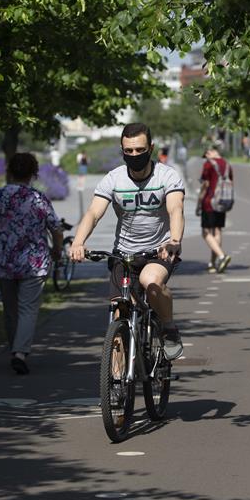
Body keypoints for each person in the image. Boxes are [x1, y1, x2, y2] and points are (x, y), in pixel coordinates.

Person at [70, 122, 186, 360]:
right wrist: (78, 242)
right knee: (119, 315)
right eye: (129, 151)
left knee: (150, 281)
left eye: (140, 150)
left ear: (151, 148)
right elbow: (93, 213)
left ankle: (168, 329)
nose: (134, 155)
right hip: (123, 254)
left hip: (159, 251)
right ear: (122, 150)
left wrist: (174, 241)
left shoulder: (167, 176)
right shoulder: (114, 179)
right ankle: (116, 383)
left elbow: (176, 209)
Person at [0, 153, 64, 375]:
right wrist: (57, 251)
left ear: (10, 172)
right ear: (33, 173)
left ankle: (13, 350)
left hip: (4, 260)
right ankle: (20, 352)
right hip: (34, 262)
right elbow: (56, 228)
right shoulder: (38, 198)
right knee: (28, 309)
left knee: (10, 309)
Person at [197, 146, 234, 273]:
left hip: (209, 201)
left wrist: (199, 202)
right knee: (217, 231)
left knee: (206, 232)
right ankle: (213, 264)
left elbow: (205, 185)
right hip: (222, 201)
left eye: (206, 155)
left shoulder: (209, 164)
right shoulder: (227, 164)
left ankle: (221, 256)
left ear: (210, 152)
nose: (206, 158)